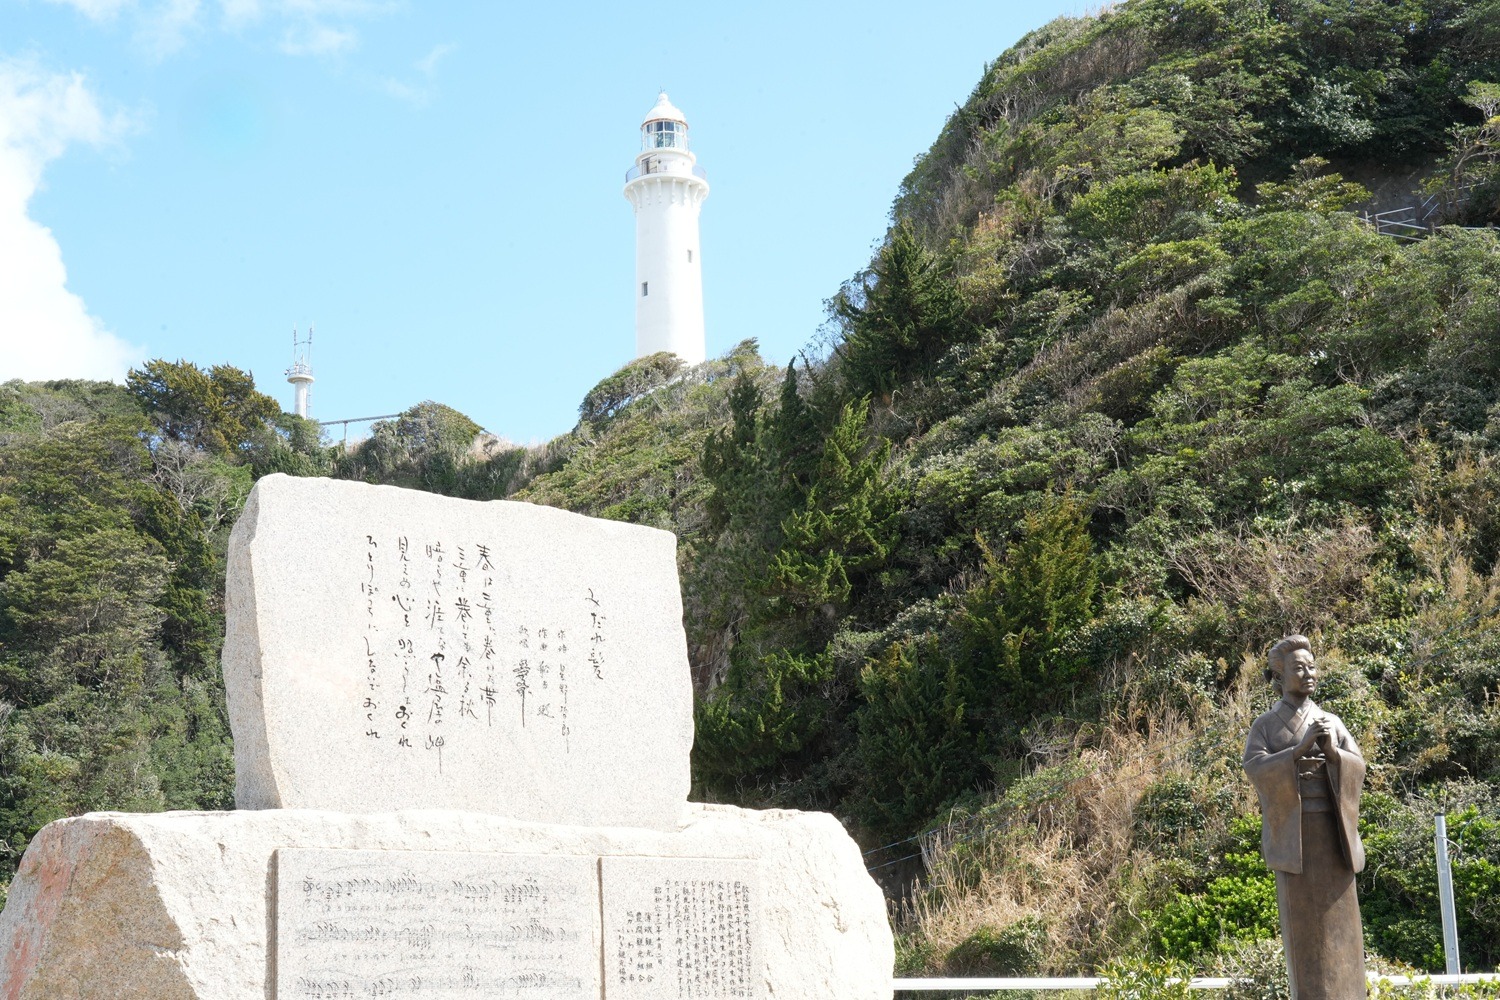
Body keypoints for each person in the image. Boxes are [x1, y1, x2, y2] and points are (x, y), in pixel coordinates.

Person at [1242, 635, 1366, 999]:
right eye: (1299, 667)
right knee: (1303, 931)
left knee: (1345, 927)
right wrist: (1296, 752)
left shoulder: (1331, 720)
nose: (1308, 673)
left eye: (1312, 666)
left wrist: (1333, 753)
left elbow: (1357, 766)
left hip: (1333, 833)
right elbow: (1255, 768)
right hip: (1295, 837)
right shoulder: (1265, 724)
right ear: (1280, 675)